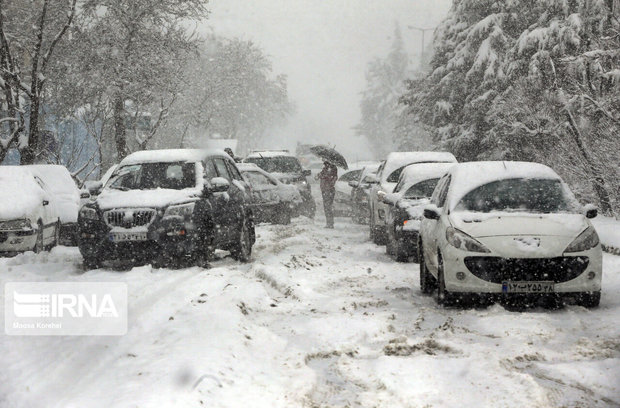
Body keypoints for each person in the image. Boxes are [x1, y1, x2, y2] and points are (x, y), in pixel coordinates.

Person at [316, 161, 338, 228]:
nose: (323, 161)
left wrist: (324, 176)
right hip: (325, 189)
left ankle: (330, 223)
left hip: (328, 190)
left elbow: (332, 178)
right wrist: (319, 175)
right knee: (326, 207)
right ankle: (329, 222)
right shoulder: (325, 168)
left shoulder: (332, 168)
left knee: (328, 206)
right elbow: (319, 176)